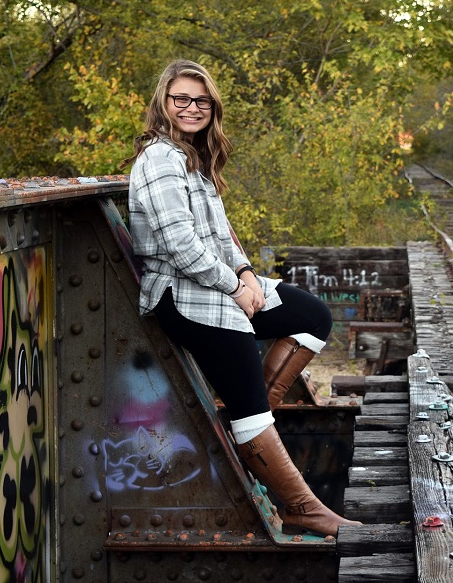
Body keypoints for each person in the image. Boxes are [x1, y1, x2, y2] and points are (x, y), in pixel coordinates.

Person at [123, 59, 360, 536]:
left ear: (212, 107)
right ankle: (300, 505)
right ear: (163, 104)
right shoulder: (159, 159)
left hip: (215, 283)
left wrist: (248, 274)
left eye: (201, 100)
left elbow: (220, 236)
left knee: (310, 316)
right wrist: (234, 289)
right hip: (181, 294)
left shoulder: (192, 156)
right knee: (247, 394)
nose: (192, 107)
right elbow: (181, 246)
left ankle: (253, 424)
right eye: (181, 99)